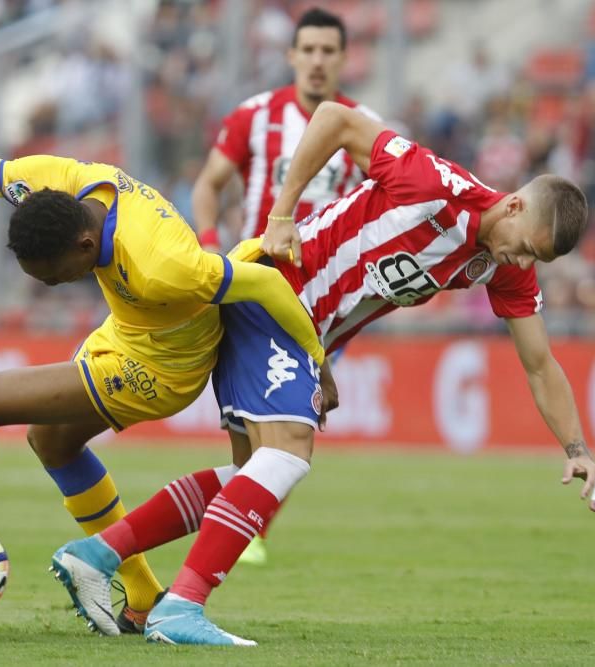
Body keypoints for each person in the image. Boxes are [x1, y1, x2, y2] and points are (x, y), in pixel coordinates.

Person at [49, 101, 595, 646]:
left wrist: (575, 447)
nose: (524, 264)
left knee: (251, 471)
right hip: (272, 292)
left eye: (540, 262)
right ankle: (182, 606)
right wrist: (282, 214)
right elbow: (335, 119)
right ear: (513, 207)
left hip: (301, 331)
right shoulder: (434, 185)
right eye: (528, 249)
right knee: (289, 451)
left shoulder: (498, 268)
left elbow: (540, 363)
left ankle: (98, 554)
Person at [0, 148, 324, 633]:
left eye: (53, 278)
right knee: (51, 442)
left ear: (84, 246)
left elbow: (264, 284)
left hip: (160, 370)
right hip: (124, 334)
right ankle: (142, 596)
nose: (49, 285)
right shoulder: (59, 183)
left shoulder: (162, 265)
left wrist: (318, 363)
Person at [191, 5, 378, 565]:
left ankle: (247, 518)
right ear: (291, 55)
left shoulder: (362, 123)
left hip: (324, 295)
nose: (318, 61)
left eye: (329, 51)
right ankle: (247, 518)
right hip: (254, 279)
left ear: (343, 59)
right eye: (310, 50)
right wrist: (207, 243)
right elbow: (209, 185)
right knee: (249, 416)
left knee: (293, 412)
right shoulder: (255, 116)